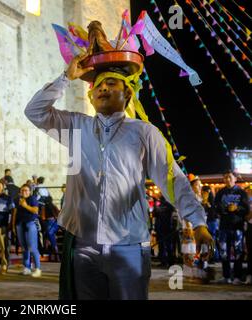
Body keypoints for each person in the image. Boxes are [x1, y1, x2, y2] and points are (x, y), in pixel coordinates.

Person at [25, 46, 213, 299]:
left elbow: (172, 178)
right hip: (84, 246)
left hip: (129, 247)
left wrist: (198, 221)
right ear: (90, 98)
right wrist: (66, 78)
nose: (102, 88)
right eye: (98, 86)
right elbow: (34, 112)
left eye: (111, 83)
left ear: (127, 93)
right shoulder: (76, 126)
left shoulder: (144, 133)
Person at [214, 171, 249, 284]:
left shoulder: (241, 193)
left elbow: (247, 210)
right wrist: (223, 208)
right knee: (224, 252)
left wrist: (237, 208)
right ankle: (226, 276)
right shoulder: (220, 193)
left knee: (238, 252)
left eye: (229, 177)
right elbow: (216, 207)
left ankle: (238, 277)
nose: (227, 179)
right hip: (224, 226)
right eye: (225, 177)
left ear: (235, 179)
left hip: (238, 226)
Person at [12, 184, 42, 277]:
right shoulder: (18, 199)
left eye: (26, 190)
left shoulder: (32, 199)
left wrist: (25, 206)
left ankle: (38, 269)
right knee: (24, 247)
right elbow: (15, 212)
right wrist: (13, 225)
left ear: (30, 191)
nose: (24, 192)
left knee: (32, 247)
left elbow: (35, 210)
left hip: (30, 224)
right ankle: (27, 267)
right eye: (22, 190)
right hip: (20, 224)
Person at [154, 195, 176, 268]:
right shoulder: (161, 204)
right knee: (163, 245)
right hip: (163, 227)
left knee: (167, 245)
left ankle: (168, 262)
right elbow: (155, 214)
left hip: (166, 227)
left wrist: (157, 206)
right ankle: (165, 262)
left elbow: (156, 213)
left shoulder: (168, 204)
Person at [202, 185, 219, 262]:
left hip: (211, 221)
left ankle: (214, 256)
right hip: (206, 222)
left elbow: (213, 211)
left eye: (206, 192)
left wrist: (208, 204)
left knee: (212, 240)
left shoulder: (212, 201)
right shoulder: (202, 200)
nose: (204, 194)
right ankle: (210, 256)